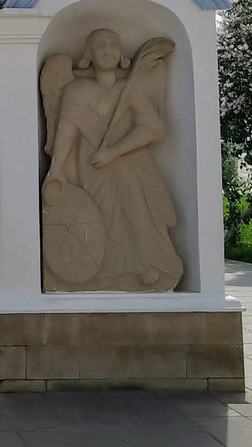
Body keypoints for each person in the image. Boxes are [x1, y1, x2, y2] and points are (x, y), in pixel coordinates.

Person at [41, 29, 183, 292]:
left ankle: (145, 266)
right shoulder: (76, 90)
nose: (107, 51)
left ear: (121, 56)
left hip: (129, 165)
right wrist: (57, 168)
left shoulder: (129, 91)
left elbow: (154, 129)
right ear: (88, 56)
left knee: (136, 210)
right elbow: (67, 131)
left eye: (112, 45)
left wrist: (114, 152)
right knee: (98, 219)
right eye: (100, 46)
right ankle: (101, 273)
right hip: (91, 166)